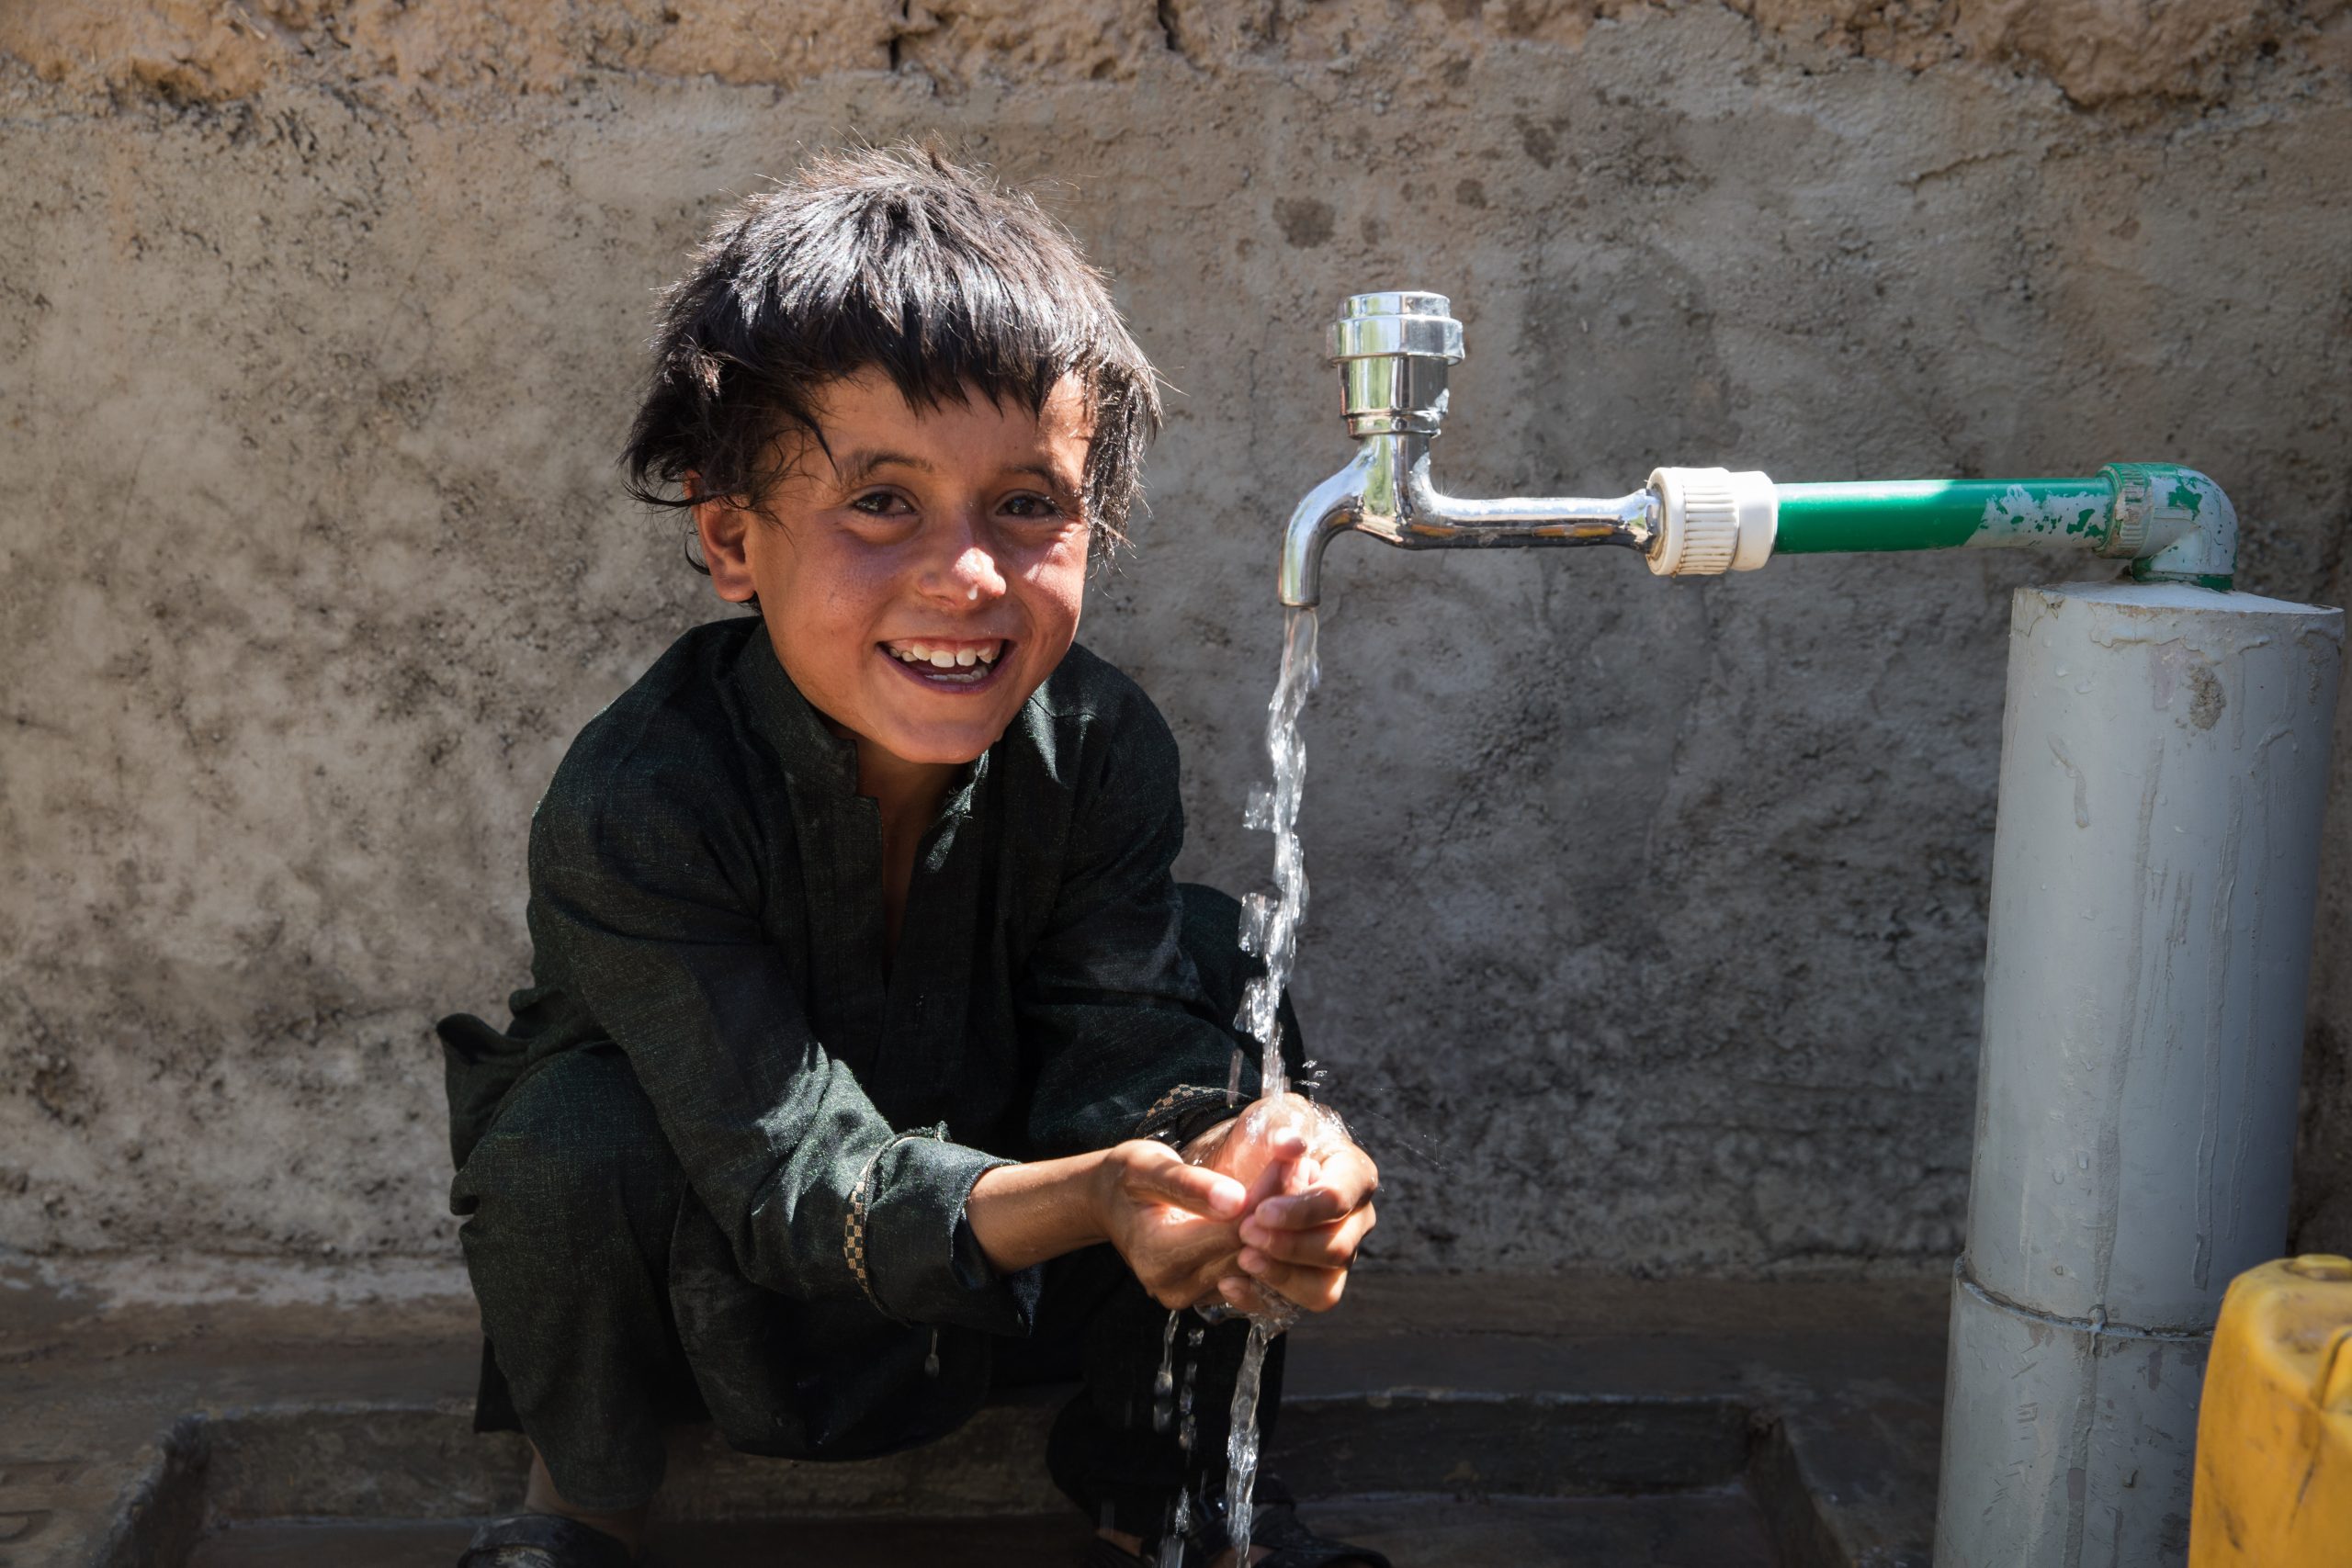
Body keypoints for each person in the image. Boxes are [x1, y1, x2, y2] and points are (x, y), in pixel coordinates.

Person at [437, 145, 1386, 1568]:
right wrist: (1103, 1197)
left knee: (1223, 985)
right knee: (564, 1142)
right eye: (881, 501)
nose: (971, 577)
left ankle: (1159, 1484)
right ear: (731, 539)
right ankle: (581, 1510)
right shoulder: (644, 801)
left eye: (1028, 504)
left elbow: (1125, 1052)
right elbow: (784, 1175)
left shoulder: (1100, 747)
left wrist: (1245, 1168)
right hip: (737, 1296)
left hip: (1012, 1290)